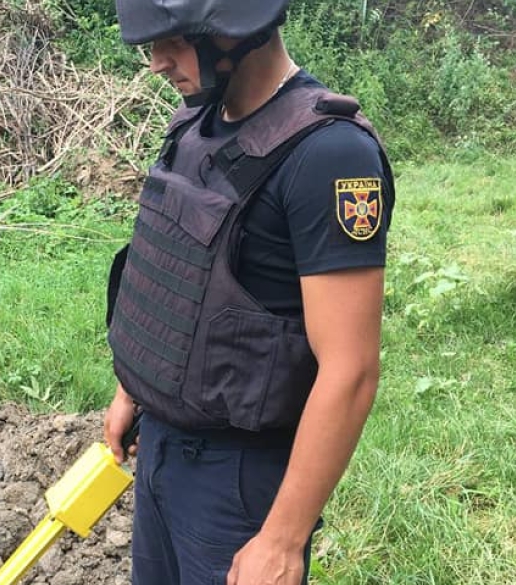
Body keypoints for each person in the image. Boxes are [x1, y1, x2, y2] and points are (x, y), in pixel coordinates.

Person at [101, 2, 395, 585]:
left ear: (237, 30)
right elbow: (176, 274)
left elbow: (352, 369)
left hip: (235, 480)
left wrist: (282, 539)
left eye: (174, 42)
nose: (157, 63)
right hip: (159, 448)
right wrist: (131, 392)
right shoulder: (193, 127)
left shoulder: (331, 155)